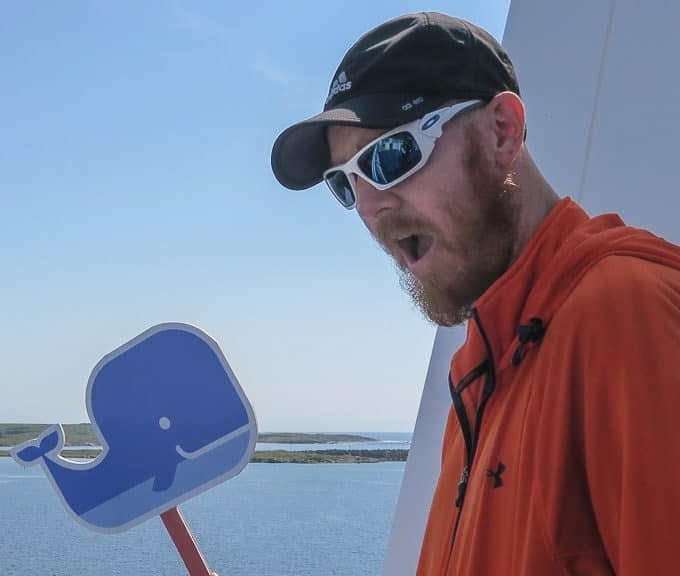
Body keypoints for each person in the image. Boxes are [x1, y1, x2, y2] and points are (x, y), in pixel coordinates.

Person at [270, 12, 680, 575]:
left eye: (391, 155)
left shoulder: (626, 316)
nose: (369, 206)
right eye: (348, 181)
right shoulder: (482, 370)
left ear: (502, 132)